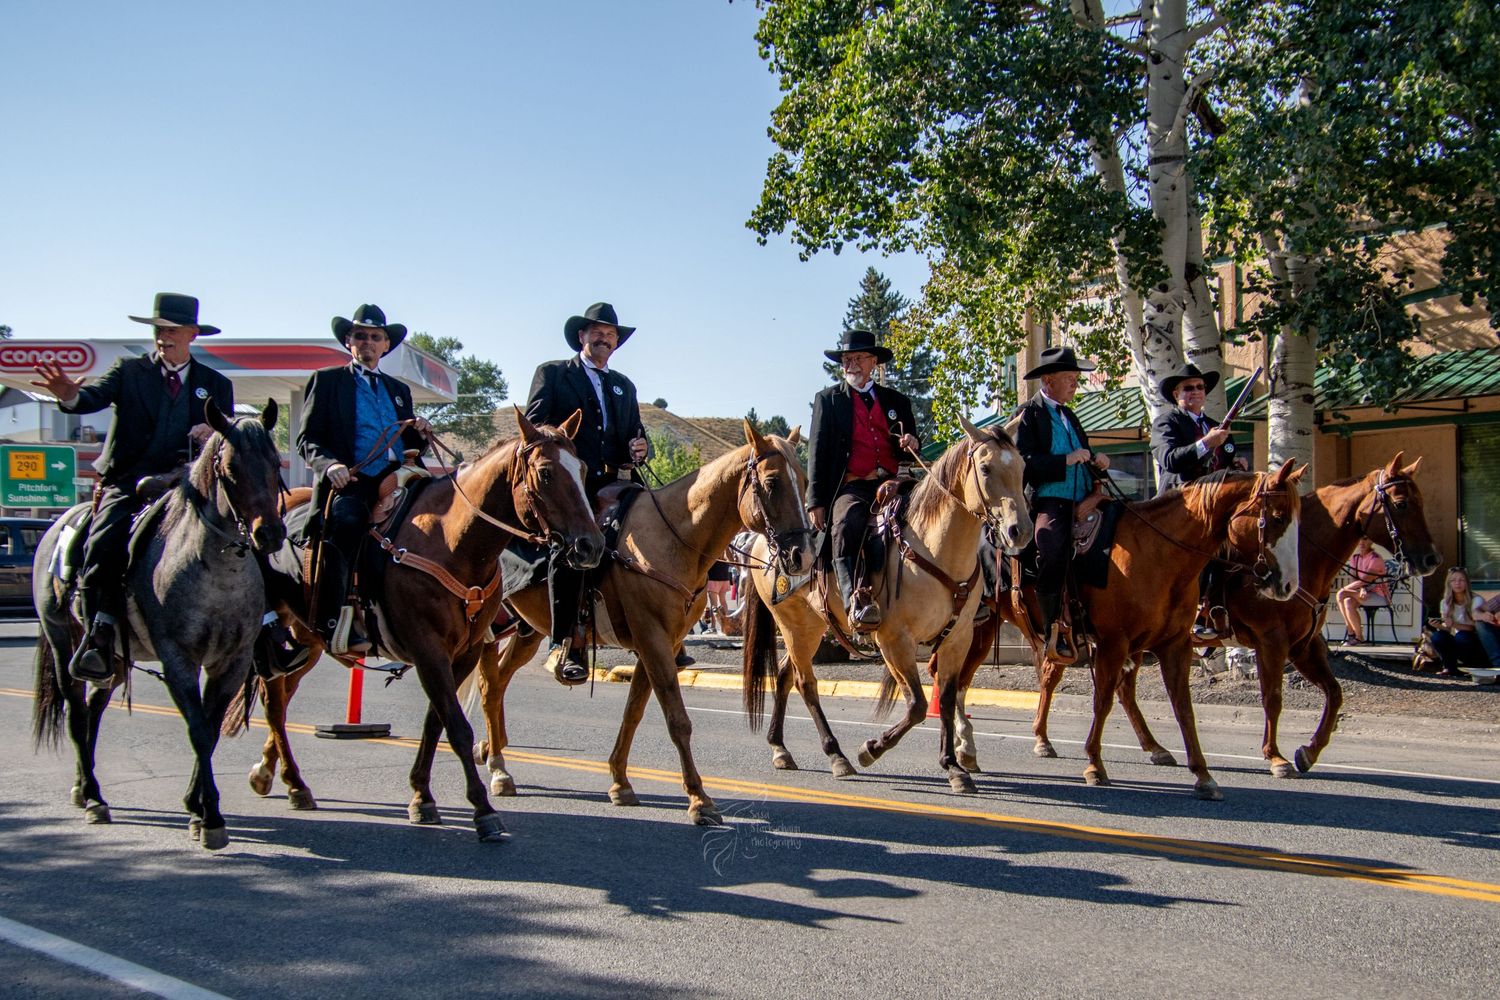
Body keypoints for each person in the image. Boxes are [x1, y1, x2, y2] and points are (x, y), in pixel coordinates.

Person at [31, 293, 234, 684]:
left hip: (185, 484)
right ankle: (99, 631)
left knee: (242, 537)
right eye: (159, 330)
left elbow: (225, 437)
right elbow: (88, 398)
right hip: (127, 482)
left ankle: (264, 627)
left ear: (192, 334)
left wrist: (213, 433)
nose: (163, 337)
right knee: (102, 541)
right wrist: (69, 395)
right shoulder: (128, 371)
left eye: (172, 330)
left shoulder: (215, 384)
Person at [525, 301, 649, 683]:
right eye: (596, 332)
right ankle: (565, 643)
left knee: (662, 526)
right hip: (569, 481)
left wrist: (642, 446)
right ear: (582, 336)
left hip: (618, 479)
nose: (604, 338)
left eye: (610, 334)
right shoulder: (554, 374)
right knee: (571, 544)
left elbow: (636, 432)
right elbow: (533, 428)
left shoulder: (623, 385)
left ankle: (663, 630)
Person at [297, 304, 430, 655]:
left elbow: (408, 443)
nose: (368, 343)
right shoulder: (327, 381)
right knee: (347, 523)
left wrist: (421, 433)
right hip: (352, 479)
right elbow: (307, 439)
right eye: (360, 336)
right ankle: (332, 619)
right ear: (348, 342)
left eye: (375, 337)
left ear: (386, 345)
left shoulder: (398, 389)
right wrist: (330, 466)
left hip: (400, 477)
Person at [806, 329, 921, 629]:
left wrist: (912, 441)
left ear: (873, 363)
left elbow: (912, 442)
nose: (850, 365)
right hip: (854, 485)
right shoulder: (828, 401)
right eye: (846, 359)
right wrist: (815, 501)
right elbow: (816, 452)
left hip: (897, 483)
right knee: (846, 524)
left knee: (934, 515)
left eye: (857, 358)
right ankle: (855, 600)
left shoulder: (897, 401)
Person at [1015, 345, 1109, 663]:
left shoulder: (1070, 415)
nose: (1075, 384)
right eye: (1069, 378)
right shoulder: (1028, 414)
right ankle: (1052, 628)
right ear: (1048, 380)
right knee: (1051, 546)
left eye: (1075, 378)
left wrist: (1098, 462)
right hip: (1049, 499)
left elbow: (1083, 454)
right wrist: (1065, 460)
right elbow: (1023, 463)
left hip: (1085, 497)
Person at [1151, 362, 1249, 640]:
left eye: (1199, 387)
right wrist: (1207, 443)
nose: (1195, 392)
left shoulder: (1214, 426)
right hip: (1180, 504)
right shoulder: (1167, 423)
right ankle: (1196, 609)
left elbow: (1223, 464)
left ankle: (1222, 607)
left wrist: (1237, 465)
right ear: (1176, 394)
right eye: (1187, 388)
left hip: (1215, 506)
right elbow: (1169, 460)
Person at [1431, 567, 1499, 677]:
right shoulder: (1445, 602)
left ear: (1467, 582)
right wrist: (1440, 625)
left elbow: (1473, 627)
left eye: (1461, 580)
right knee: (1438, 636)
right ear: (1449, 583)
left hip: (1475, 642)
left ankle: (1478, 666)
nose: (1457, 583)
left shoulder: (1476, 599)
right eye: (1453, 580)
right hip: (1459, 638)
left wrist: (1454, 624)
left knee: (1462, 636)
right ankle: (1450, 668)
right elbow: (1448, 629)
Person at [1335, 537, 1392, 646]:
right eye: (1359, 539)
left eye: (1365, 539)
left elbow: (1365, 579)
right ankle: (1358, 637)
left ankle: (1352, 634)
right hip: (1363, 592)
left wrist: (1345, 589)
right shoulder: (1355, 558)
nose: (1362, 542)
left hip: (1379, 595)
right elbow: (1355, 580)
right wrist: (1362, 589)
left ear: (1371, 541)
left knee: (1341, 594)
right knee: (1347, 601)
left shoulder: (1376, 558)